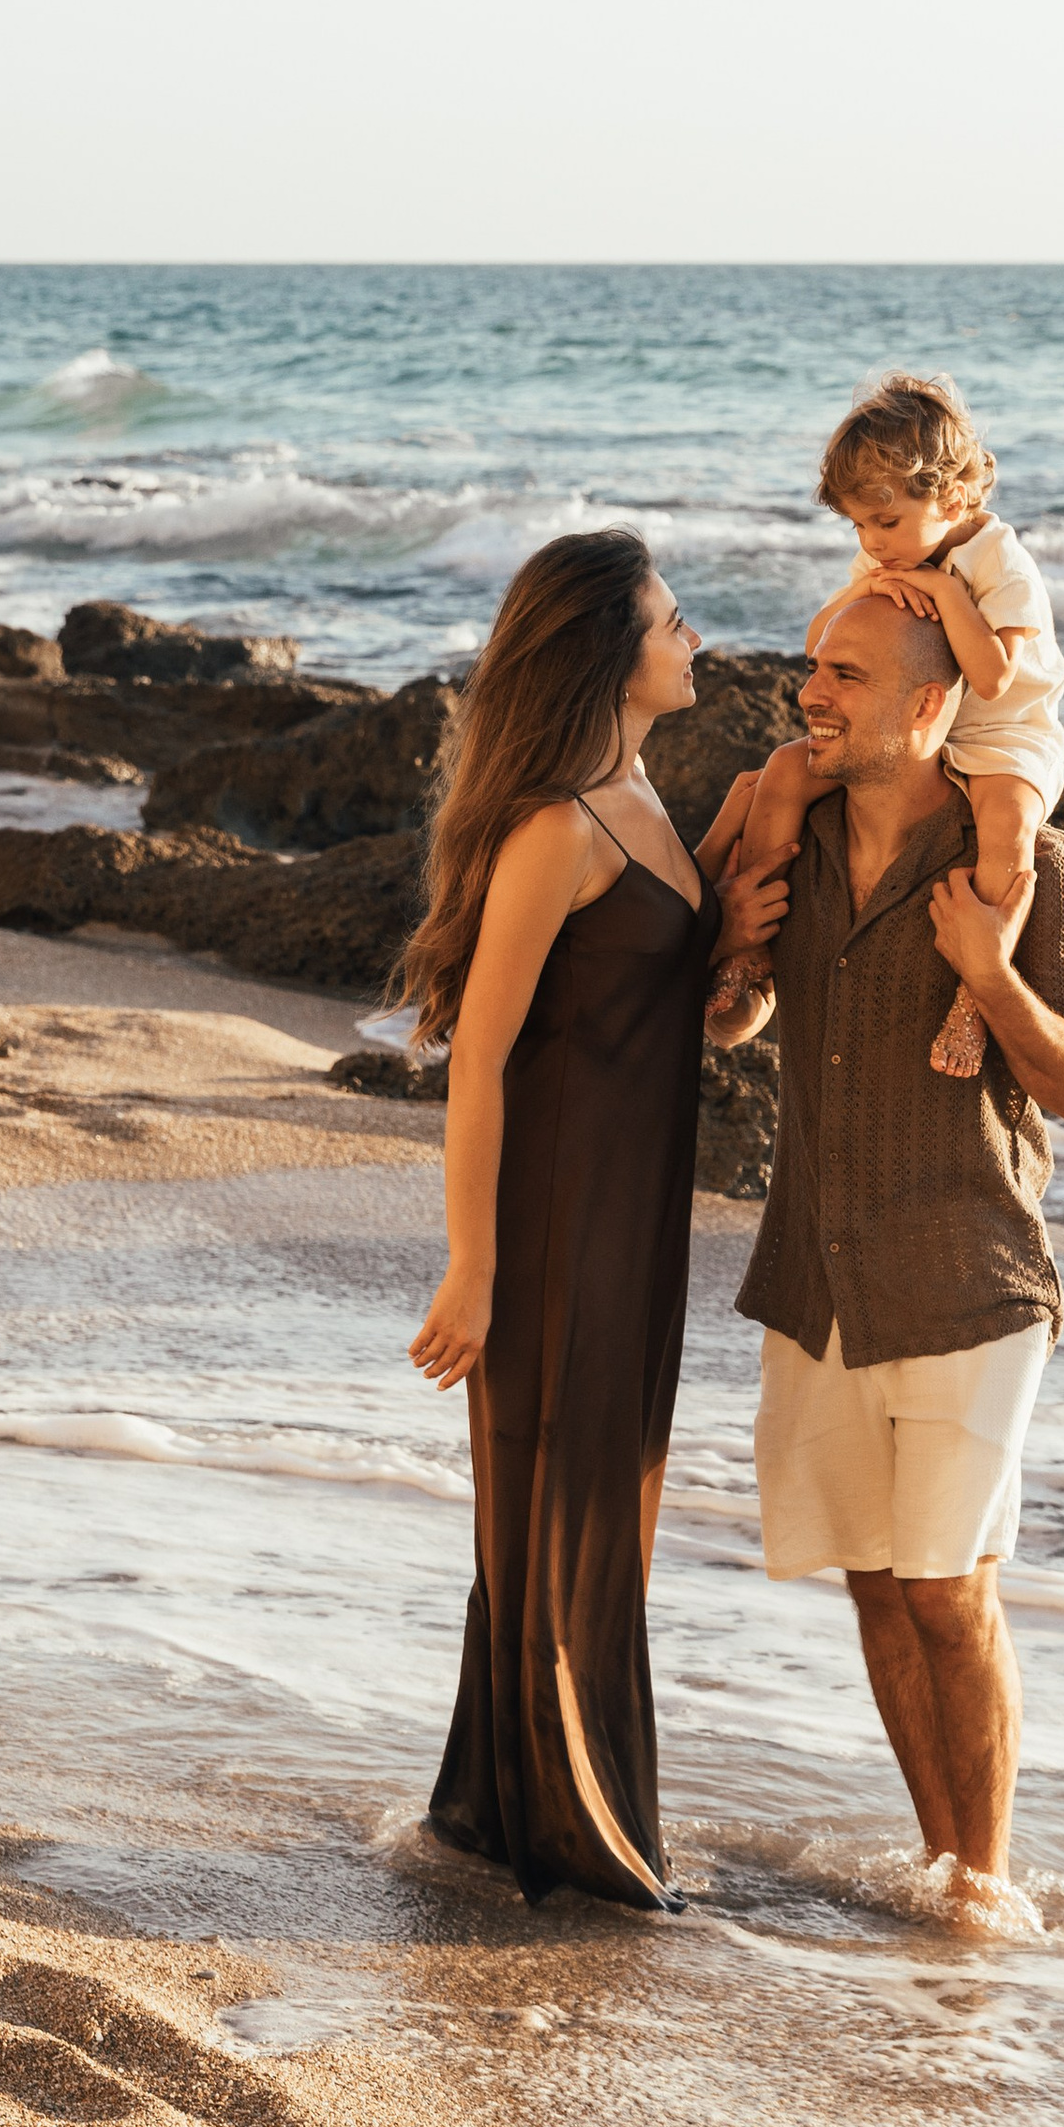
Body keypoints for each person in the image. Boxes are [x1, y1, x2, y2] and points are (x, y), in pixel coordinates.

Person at [714, 587, 1064, 1919]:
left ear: (936, 701)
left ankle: (989, 1895)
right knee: (881, 1586)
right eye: (814, 665)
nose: (812, 693)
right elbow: (732, 1019)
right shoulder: (800, 833)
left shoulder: (1027, 867)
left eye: (847, 674)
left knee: (952, 1589)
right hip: (819, 1281)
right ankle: (945, 1872)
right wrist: (731, 956)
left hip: (969, 1280)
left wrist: (990, 979)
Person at [401, 528, 779, 1912]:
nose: (696, 644)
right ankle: (582, 1837)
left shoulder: (642, 802)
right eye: (675, 625)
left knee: (598, 1510)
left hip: (632, 1218)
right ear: (611, 656)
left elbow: (670, 1018)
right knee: (568, 1515)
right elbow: (482, 1055)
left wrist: (738, 967)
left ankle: (504, 1815)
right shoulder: (558, 825)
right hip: (556, 1221)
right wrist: (474, 1266)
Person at [707, 374, 1064, 1078]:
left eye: (887, 523)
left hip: (1003, 731)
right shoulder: (888, 554)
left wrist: (941, 590)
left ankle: (975, 989)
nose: (873, 542)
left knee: (1009, 821)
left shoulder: (999, 560)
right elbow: (821, 637)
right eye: (859, 527)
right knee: (781, 773)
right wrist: (868, 588)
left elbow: (992, 677)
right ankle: (749, 947)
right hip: (918, 730)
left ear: (953, 498)